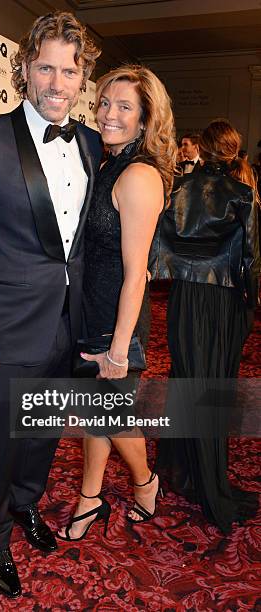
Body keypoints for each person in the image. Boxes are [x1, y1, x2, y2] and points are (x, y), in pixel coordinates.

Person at [0, 11, 102, 598]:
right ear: (26, 70)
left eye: (69, 70)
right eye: (46, 68)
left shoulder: (88, 142)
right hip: (5, 326)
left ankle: (26, 504)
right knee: (4, 435)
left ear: (83, 78)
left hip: (69, 319)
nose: (57, 82)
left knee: (46, 430)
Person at [57, 64, 177, 540]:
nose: (108, 113)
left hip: (116, 320)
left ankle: (145, 484)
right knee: (94, 411)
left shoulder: (140, 176)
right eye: (105, 102)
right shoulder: (108, 164)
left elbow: (136, 274)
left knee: (111, 415)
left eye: (124, 106)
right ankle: (92, 497)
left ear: (146, 120)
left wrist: (119, 348)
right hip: (91, 309)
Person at [152, 119, 260, 534]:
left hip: (184, 297)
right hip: (223, 299)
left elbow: (161, 246)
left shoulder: (177, 189)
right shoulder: (243, 195)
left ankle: (178, 469)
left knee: (184, 380)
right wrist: (250, 307)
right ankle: (208, 482)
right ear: (233, 150)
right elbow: (251, 260)